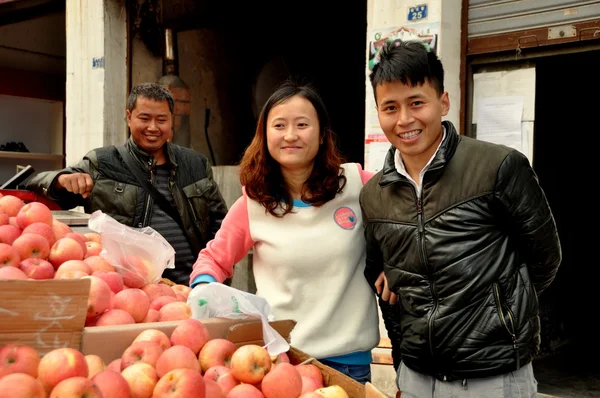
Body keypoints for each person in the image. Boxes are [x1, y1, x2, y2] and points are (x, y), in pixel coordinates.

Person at [360, 40, 562, 397]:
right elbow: (384, 286)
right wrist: (403, 363)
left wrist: (501, 319)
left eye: (416, 103)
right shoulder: (375, 195)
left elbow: (545, 259)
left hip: (494, 377)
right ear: (379, 112)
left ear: (444, 101)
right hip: (418, 377)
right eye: (390, 107)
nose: (405, 120)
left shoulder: (498, 168)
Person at [189, 80, 380, 384]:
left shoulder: (358, 185)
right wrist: (203, 289)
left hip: (350, 365)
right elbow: (213, 259)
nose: (290, 135)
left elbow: (404, 214)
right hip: (283, 365)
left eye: (302, 124)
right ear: (265, 136)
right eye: (279, 125)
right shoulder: (253, 204)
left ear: (321, 135)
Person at [26, 82, 228, 286]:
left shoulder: (195, 164)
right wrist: (59, 181)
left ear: (171, 122)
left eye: (161, 120)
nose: (153, 127)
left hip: (194, 285)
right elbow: (34, 187)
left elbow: (221, 224)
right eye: (144, 118)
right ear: (129, 117)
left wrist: (214, 276)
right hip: (130, 288)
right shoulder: (103, 162)